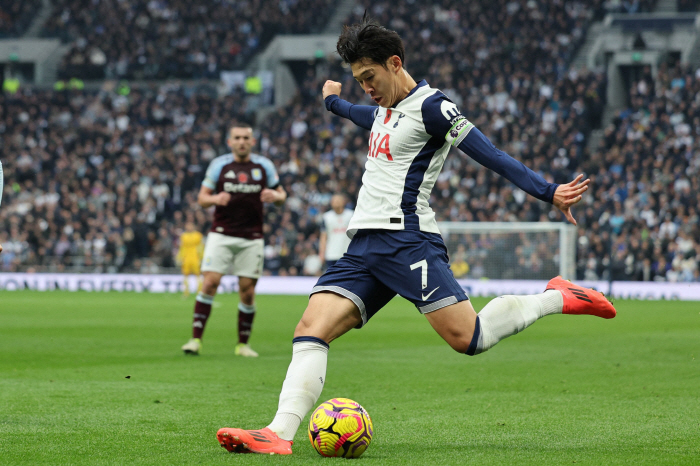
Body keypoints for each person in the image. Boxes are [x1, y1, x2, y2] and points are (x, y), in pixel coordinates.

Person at [216, 18, 616, 455]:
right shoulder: (383, 111)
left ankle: (557, 295)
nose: (366, 87)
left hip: (408, 241)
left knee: (471, 338)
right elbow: (361, 114)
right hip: (364, 246)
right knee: (311, 328)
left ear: (394, 63)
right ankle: (278, 432)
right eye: (359, 80)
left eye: (369, 77)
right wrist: (334, 103)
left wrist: (548, 191)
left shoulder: (434, 108)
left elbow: (491, 154)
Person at [181, 123, 286, 357]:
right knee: (210, 282)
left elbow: (282, 195)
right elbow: (201, 198)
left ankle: (242, 345)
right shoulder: (219, 165)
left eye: (245, 138)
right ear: (230, 142)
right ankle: (195, 340)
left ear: (252, 141)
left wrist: (275, 196)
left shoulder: (264, 166)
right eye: (237, 138)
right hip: (221, 233)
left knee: (247, 291)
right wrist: (216, 198)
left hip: (252, 236)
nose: (241, 141)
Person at [318, 194, 353, 269]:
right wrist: (322, 253)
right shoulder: (326, 217)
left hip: (348, 253)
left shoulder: (351, 215)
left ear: (343, 202)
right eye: (334, 200)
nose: (336, 202)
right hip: (331, 254)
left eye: (338, 200)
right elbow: (323, 236)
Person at [176, 221, 204, 298]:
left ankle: (200, 292)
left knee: (198, 275)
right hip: (186, 258)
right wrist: (179, 257)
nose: (189, 227)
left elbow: (201, 247)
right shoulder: (183, 236)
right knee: (185, 275)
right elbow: (182, 248)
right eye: (187, 226)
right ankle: (186, 292)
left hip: (195, 258)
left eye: (190, 225)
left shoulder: (198, 235)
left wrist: (201, 258)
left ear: (193, 226)